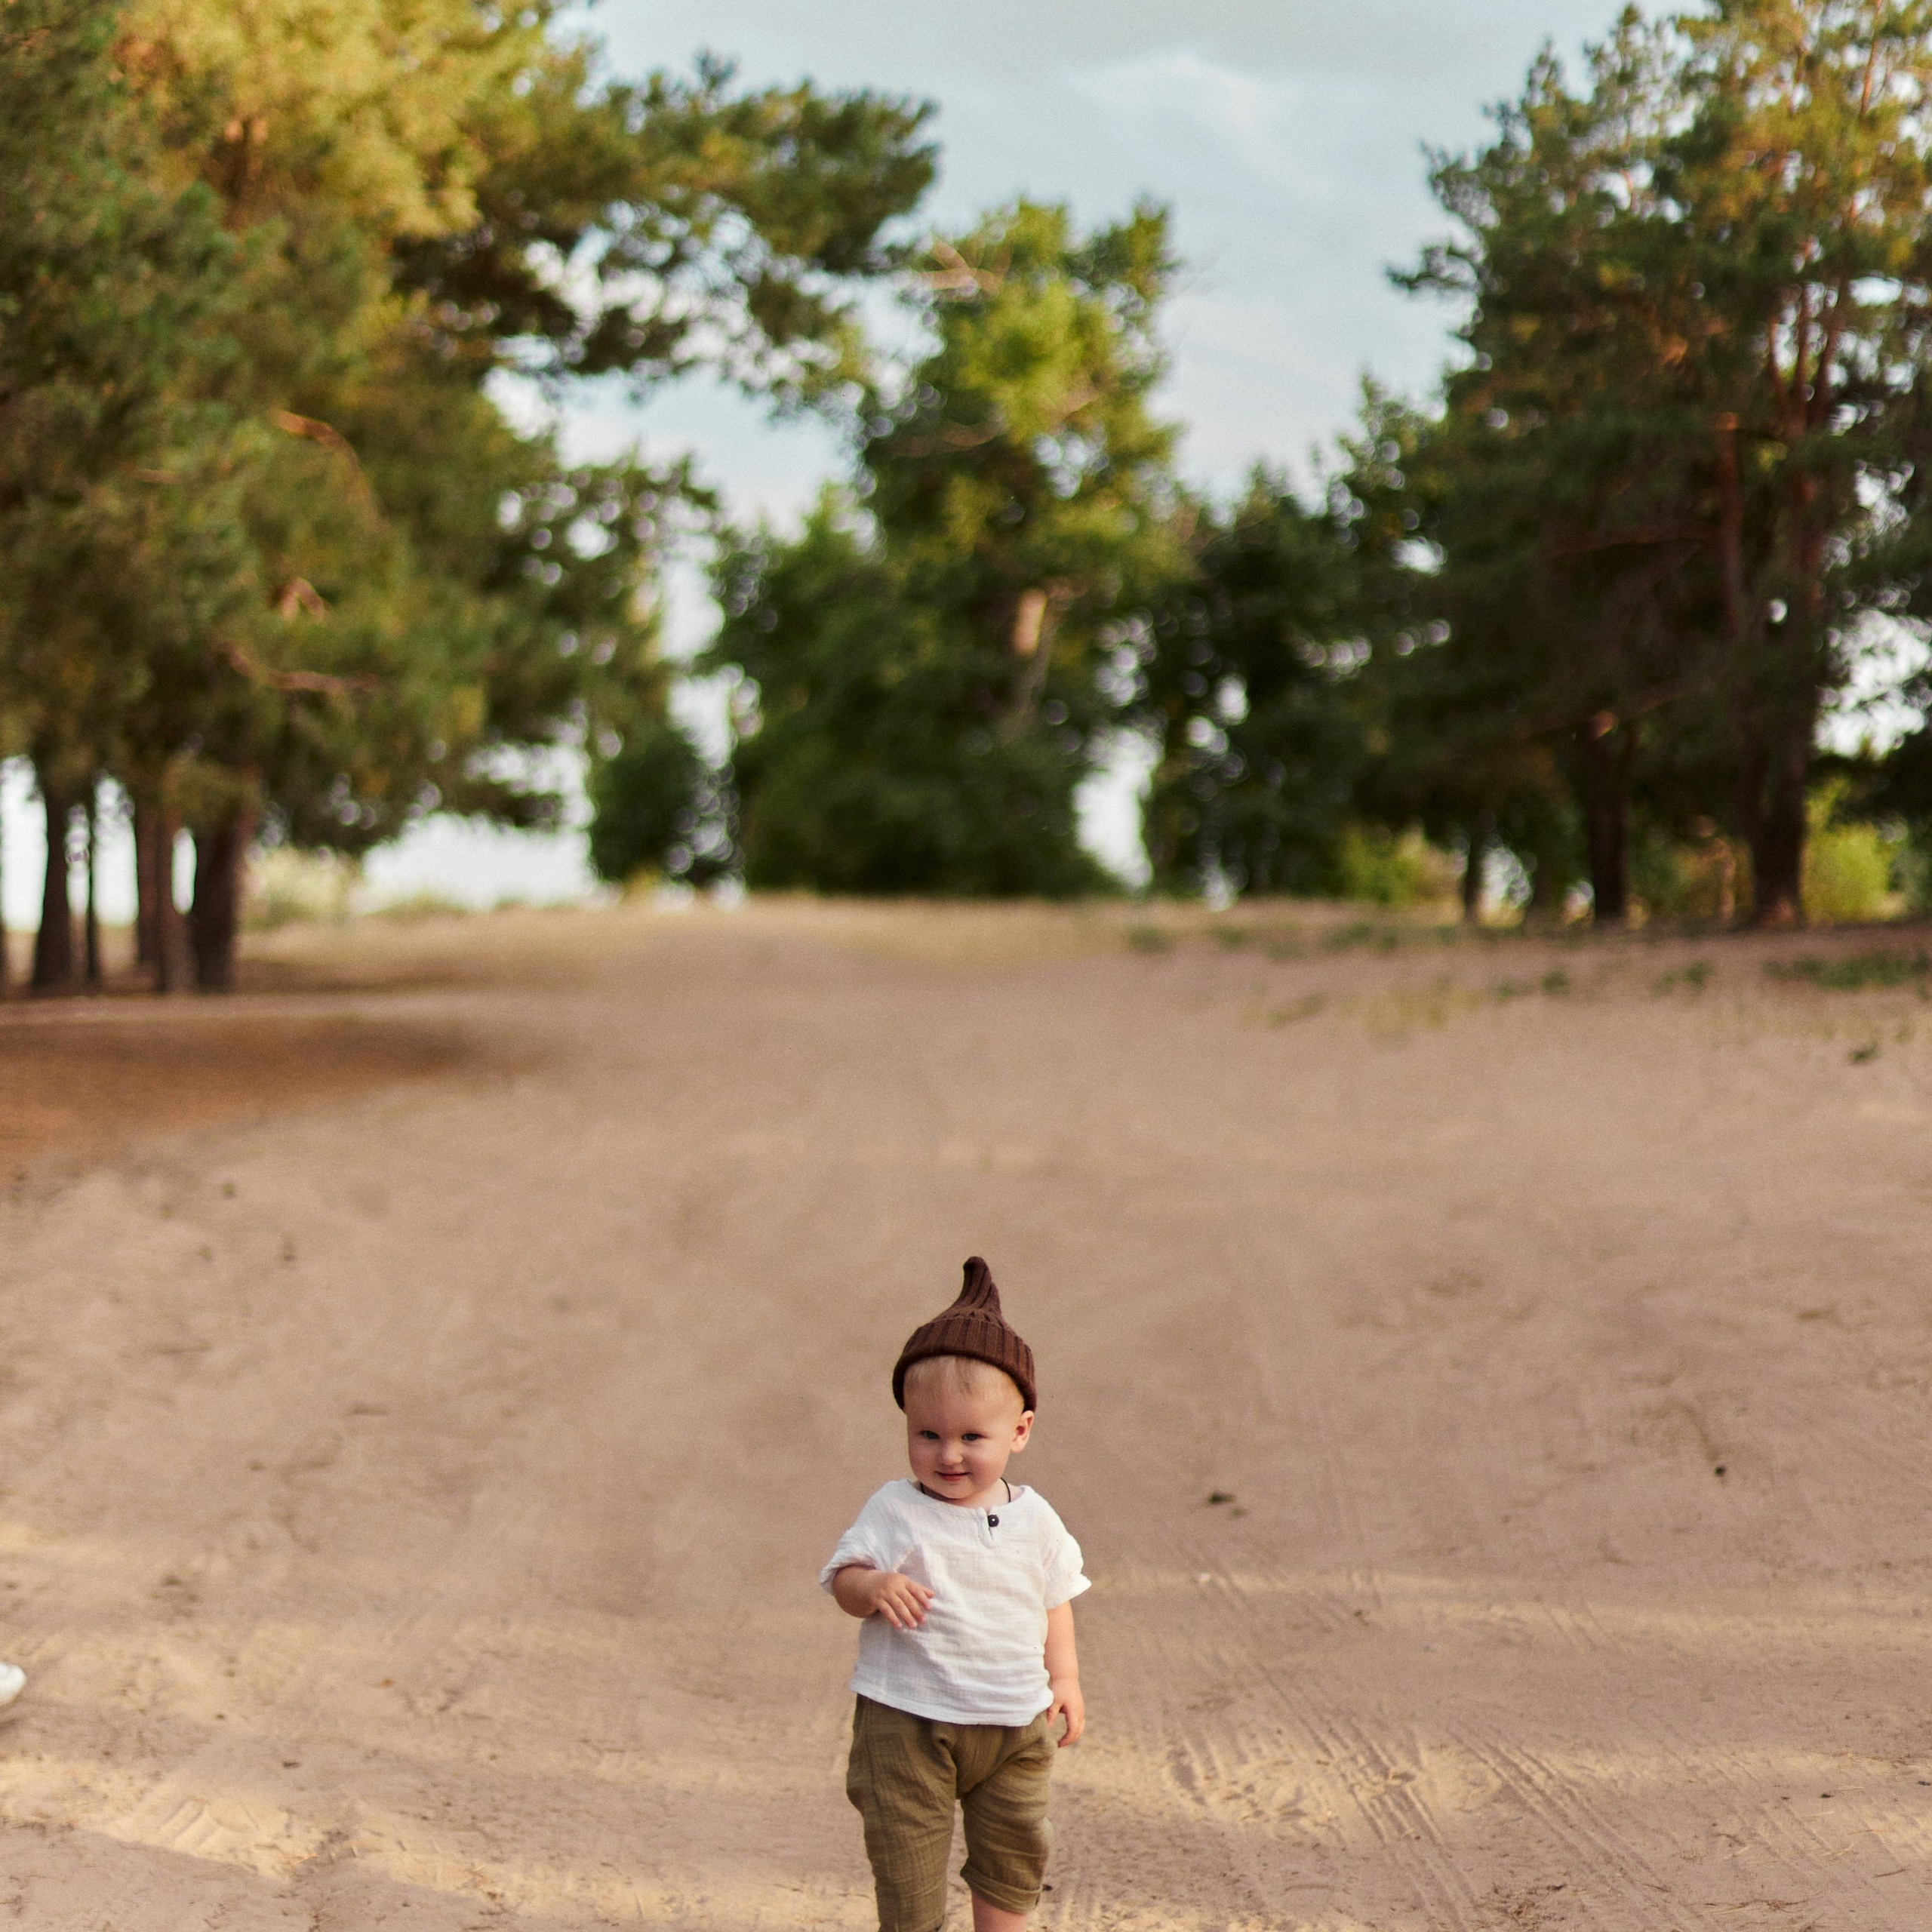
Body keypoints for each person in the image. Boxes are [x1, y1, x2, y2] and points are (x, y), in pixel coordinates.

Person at [821, 1257, 1088, 1932]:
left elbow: (1054, 1598)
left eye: (972, 1436)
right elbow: (844, 1580)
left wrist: (1064, 1678)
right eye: (928, 1435)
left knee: (1014, 1853)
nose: (948, 1455)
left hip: (1014, 1723)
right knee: (906, 1860)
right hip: (907, 1721)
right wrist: (873, 1585)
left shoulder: (1036, 1519)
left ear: (1019, 1432)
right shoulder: (895, 1509)